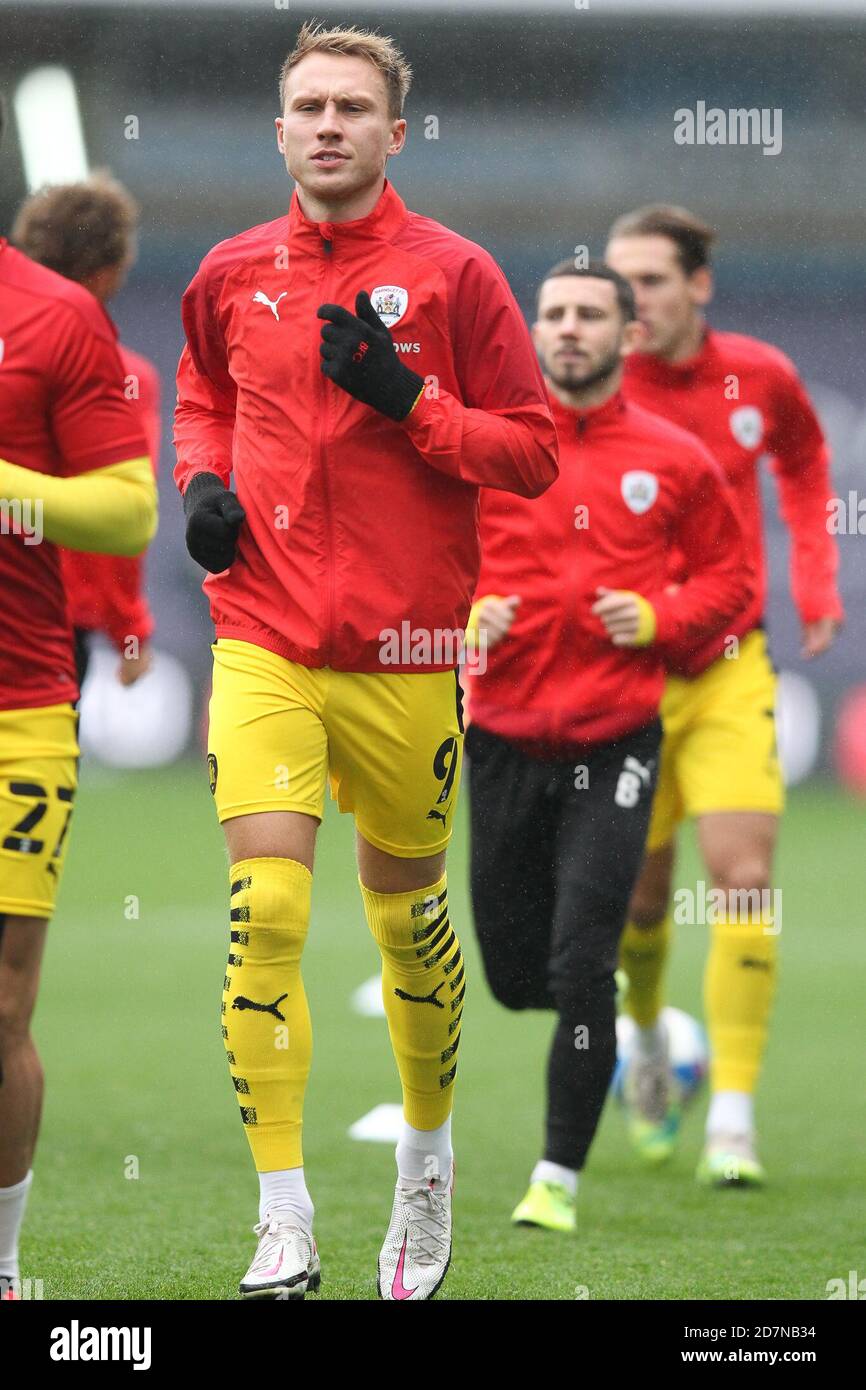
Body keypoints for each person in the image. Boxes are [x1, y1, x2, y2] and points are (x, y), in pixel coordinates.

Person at [173, 21, 557, 1300]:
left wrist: (412, 404)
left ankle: (426, 1162)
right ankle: (282, 1214)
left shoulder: (455, 275)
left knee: (407, 923)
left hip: (405, 654)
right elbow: (200, 397)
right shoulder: (229, 270)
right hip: (263, 636)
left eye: (352, 108)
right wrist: (204, 486)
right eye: (307, 106)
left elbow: (533, 451)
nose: (327, 125)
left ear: (395, 133)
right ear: (276, 129)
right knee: (267, 912)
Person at [464, 260, 751, 1233]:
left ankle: (555, 1178)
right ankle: (657, 1043)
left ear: (627, 336)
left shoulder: (673, 458)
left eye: (589, 313)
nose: (568, 328)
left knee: (583, 957)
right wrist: (461, 615)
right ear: (532, 332)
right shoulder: (488, 448)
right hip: (500, 737)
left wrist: (661, 615)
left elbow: (732, 584)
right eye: (552, 314)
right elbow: (418, 558)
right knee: (514, 975)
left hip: (616, 740)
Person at [606, 205, 843, 1184]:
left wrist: (816, 580)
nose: (630, 305)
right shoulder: (587, 382)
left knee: (741, 879)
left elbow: (801, 459)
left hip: (726, 667)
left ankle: (733, 1120)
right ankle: (649, 1048)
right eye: (616, 286)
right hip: (618, 682)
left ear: (697, 284)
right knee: (640, 907)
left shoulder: (759, 376)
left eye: (651, 283)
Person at [0, 106, 157, 1301]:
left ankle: (3, 1267)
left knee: (3, 995)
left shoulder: (58, 321)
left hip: (18, 699)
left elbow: (127, 509)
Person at [12, 173, 160, 691]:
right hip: (47, 618)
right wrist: (131, 629)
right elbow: (119, 521)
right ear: (108, 273)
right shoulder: (123, 376)